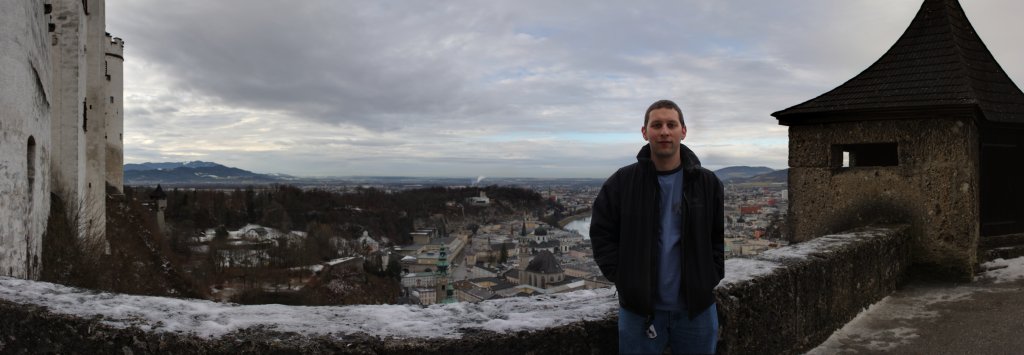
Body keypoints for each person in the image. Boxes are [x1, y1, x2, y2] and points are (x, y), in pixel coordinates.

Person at [590, 99, 724, 354]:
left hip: (697, 308)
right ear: (645, 132)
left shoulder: (708, 183)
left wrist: (710, 276)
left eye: (671, 124)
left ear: (683, 131)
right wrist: (624, 278)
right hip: (639, 310)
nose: (664, 131)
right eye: (657, 125)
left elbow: (718, 237)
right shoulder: (621, 182)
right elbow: (601, 233)